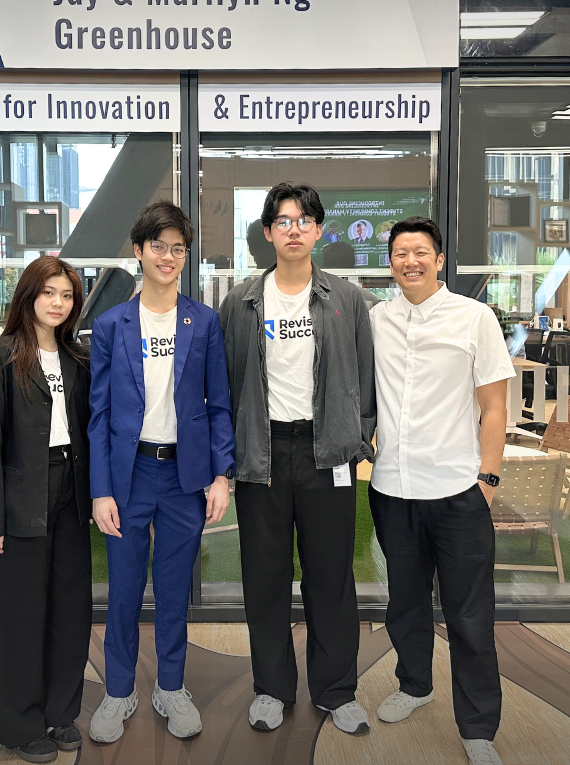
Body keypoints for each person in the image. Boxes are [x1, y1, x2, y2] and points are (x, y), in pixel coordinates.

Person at [218, 182, 376, 736]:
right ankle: (271, 689)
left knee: (331, 576)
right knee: (264, 577)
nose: (294, 229)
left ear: (318, 231)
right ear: (268, 233)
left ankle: (336, 690)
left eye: (304, 220)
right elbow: (228, 382)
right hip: (262, 453)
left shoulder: (346, 298)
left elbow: (365, 378)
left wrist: (358, 440)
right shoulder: (240, 301)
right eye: (283, 221)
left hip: (326, 452)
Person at [367, 217, 514, 765]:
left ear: (439, 260)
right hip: (392, 488)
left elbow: (495, 407)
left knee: (469, 615)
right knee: (404, 604)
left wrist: (488, 479)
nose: (411, 261)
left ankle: (478, 727)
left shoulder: (474, 318)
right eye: (401, 252)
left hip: (457, 491)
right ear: (391, 262)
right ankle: (414, 686)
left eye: (421, 252)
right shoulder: (376, 319)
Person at [87, 200, 235, 743]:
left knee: (174, 590)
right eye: (158, 247)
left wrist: (221, 476)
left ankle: (170, 687)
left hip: (184, 478)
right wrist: (101, 490)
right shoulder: (111, 325)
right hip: (128, 478)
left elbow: (219, 404)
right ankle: (119, 691)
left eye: (177, 248)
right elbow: (99, 416)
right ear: (138, 251)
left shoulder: (204, 321)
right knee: (124, 590)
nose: (168, 257)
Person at [0, 256, 93, 764]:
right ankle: (20, 726)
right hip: (21, 495)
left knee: (70, 609)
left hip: (71, 492)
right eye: (49, 293)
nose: (58, 303)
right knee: (20, 615)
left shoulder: (78, 359)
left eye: (66, 295)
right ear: (28, 296)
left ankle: (60, 713)